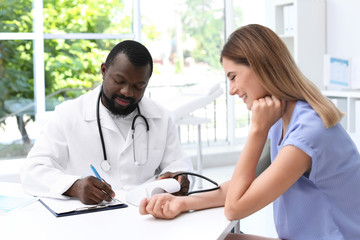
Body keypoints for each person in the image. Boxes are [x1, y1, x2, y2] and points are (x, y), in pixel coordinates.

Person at [139, 24, 360, 240]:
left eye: (233, 77)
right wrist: (182, 203)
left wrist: (257, 130)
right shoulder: (283, 121)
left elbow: (235, 208)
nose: (232, 90)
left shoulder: (307, 132)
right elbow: (240, 188)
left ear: (260, 66)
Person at [20, 40, 193, 205]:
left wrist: (180, 179)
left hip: (145, 213)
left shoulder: (162, 118)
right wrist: (74, 186)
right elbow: (32, 171)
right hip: (90, 218)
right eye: (119, 81)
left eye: (138, 86)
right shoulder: (67, 115)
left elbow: (179, 166)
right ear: (103, 70)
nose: (127, 92)